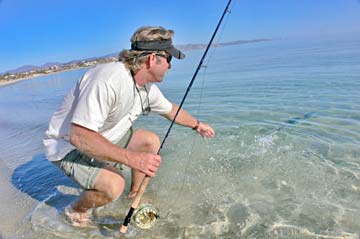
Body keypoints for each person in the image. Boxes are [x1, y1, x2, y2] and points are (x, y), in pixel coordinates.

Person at [43, 26, 215, 227]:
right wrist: (134, 160)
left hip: (102, 138)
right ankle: (76, 210)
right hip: (67, 147)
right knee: (114, 185)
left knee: (149, 141)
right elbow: (80, 137)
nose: (170, 66)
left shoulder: (146, 87)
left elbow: (170, 111)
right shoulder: (107, 79)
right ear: (153, 58)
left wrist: (197, 125)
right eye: (169, 59)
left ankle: (134, 196)